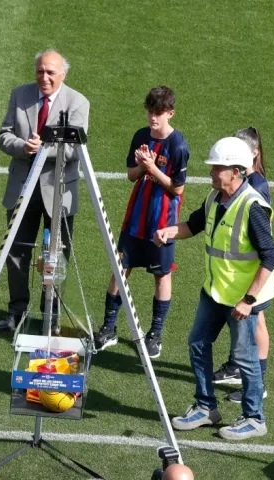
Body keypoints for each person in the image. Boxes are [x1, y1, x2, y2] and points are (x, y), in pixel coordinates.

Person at [158, 137, 274, 441]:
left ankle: (254, 417)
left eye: (217, 168)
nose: (212, 172)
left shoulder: (252, 207)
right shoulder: (214, 199)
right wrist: (171, 232)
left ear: (236, 171)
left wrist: (249, 299)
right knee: (198, 343)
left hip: (241, 299)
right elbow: (195, 225)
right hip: (214, 292)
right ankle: (205, 406)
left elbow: (270, 256)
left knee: (246, 358)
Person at [0, 49, 90, 332]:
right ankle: (16, 311)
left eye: (50, 72)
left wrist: (45, 148)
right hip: (22, 187)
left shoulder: (77, 102)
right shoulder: (20, 94)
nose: (44, 77)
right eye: (40, 71)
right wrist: (23, 146)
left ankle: (52, 314)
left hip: (58, 191)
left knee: (56, 256)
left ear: (63, 74)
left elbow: (75, 149)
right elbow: (3, 135)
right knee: (17, 252)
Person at [92, 86, 189, 357]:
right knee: (120, 268)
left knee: (162, 274)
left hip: (162, 222)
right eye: (150, 112)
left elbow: (177, 188)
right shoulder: (140, 136)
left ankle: (155, 335)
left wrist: (151, 167)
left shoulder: (178, 145)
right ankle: (109, 328)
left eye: (158, 113)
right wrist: (140, 166)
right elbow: (131, 176)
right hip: (135, 218)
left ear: (170, 113)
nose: (153, 118)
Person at [211, 127, 273, 404]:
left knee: (257, 321)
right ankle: (240, 369)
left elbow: (264, 241)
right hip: (245, 271)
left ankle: (258, 384)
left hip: (255, 270)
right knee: (250, 324)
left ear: (253, 154)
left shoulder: (255, 188)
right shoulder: (251, 182)